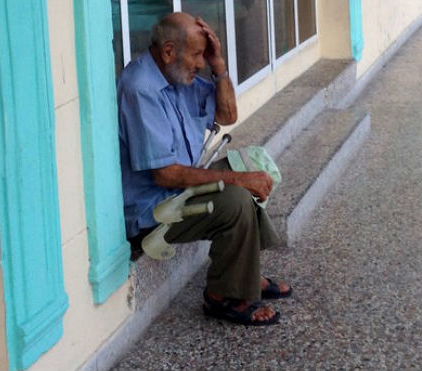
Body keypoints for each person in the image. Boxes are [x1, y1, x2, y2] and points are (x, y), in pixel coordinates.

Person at [117, 12, 292, 326]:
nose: (200, 64)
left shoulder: (177, 75)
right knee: (236, 197)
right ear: (169, 50)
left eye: (202, 55)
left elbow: (228, 114)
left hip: (179, 189)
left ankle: (246, 272)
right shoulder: (140, 88)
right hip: (153, 211)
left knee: (252, 164)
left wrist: (219, 65)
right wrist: (237, 180)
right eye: (197, 55)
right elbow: (165, 174)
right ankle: (223, 296)